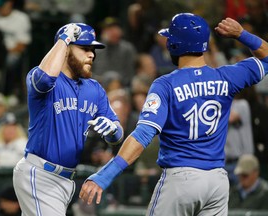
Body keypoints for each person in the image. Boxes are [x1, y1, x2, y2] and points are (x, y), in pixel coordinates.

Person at [79, 13, 268, 215]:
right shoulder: (227, 76)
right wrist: (241, 34)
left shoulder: (165, 84)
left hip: (181, 179)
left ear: (174, 45)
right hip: (217, 181)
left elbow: (142, 135)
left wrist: (105, 175)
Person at [12, 23, 124, 215]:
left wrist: (113, 130)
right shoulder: (42, 78)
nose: (92, 55)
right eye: (85, 48)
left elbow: (118, 135)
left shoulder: (94, 88)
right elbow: (44, 80)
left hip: (66, 180)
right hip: (40, 174)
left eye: (93, 50)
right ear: (65, 49)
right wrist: (64, 40)